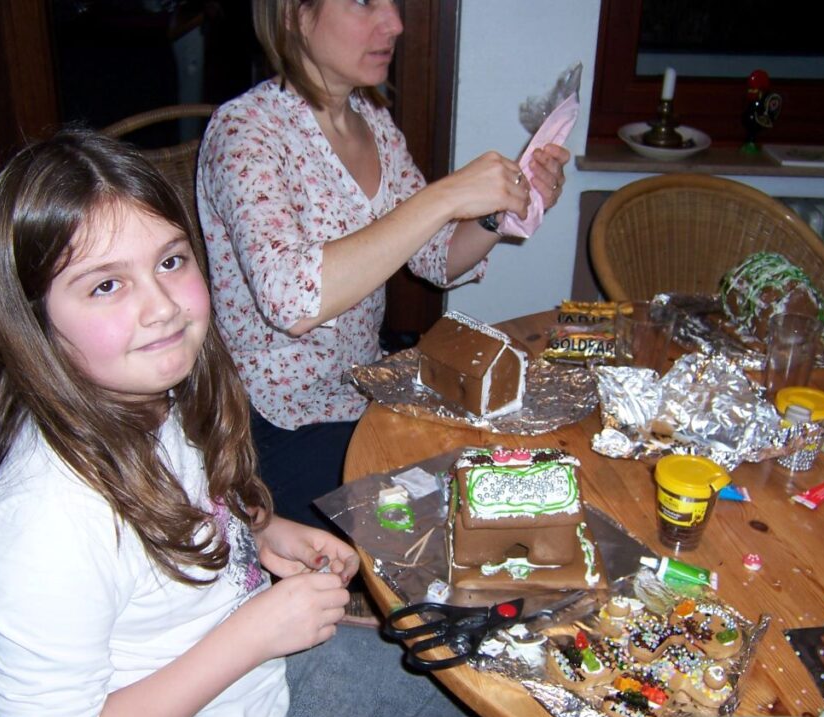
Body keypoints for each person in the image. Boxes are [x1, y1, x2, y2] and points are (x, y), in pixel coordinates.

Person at [0, 128, 515, 717]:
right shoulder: (44, 519)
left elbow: (183, 520)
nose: (162, 307)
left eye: (170, 262)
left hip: (258, 688)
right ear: (34, 320)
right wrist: (251, 636)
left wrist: (262, 530)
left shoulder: (150, 395)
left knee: (491, 699)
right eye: (105, 286)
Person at [197, 0, 571, 530]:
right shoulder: (245, 131)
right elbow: (293, 303)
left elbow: (438, 256)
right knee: (445, 519)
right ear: (293, 14)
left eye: (394, 3)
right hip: (270, 425)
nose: (394, 24)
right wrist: (445, 196)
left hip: (361, 390)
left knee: (499, 464)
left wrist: (500, 213)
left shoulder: (373, 123)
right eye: (364, 2)